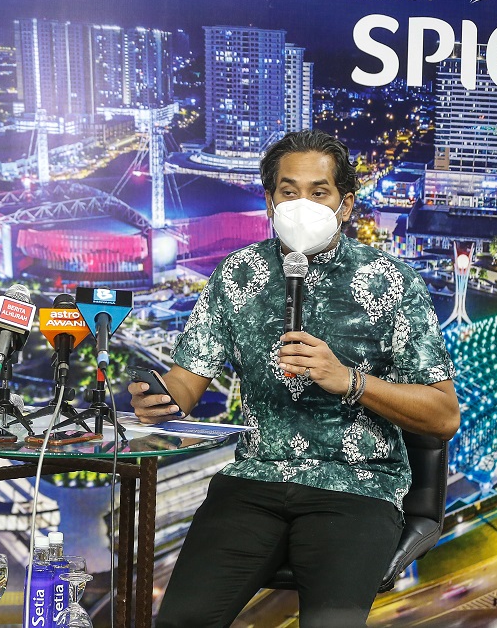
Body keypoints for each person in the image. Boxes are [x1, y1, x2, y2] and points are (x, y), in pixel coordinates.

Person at [129, 130, 459, 628]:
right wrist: (159, 398)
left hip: (357, 486)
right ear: (269, 202)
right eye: (288, 191)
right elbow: (185, 386)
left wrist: (349, 380)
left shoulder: (392, 281)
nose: (301, 203)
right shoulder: (236, 274)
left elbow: (443, 415)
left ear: (345, 205)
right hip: (254, 480)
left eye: (318, 192)